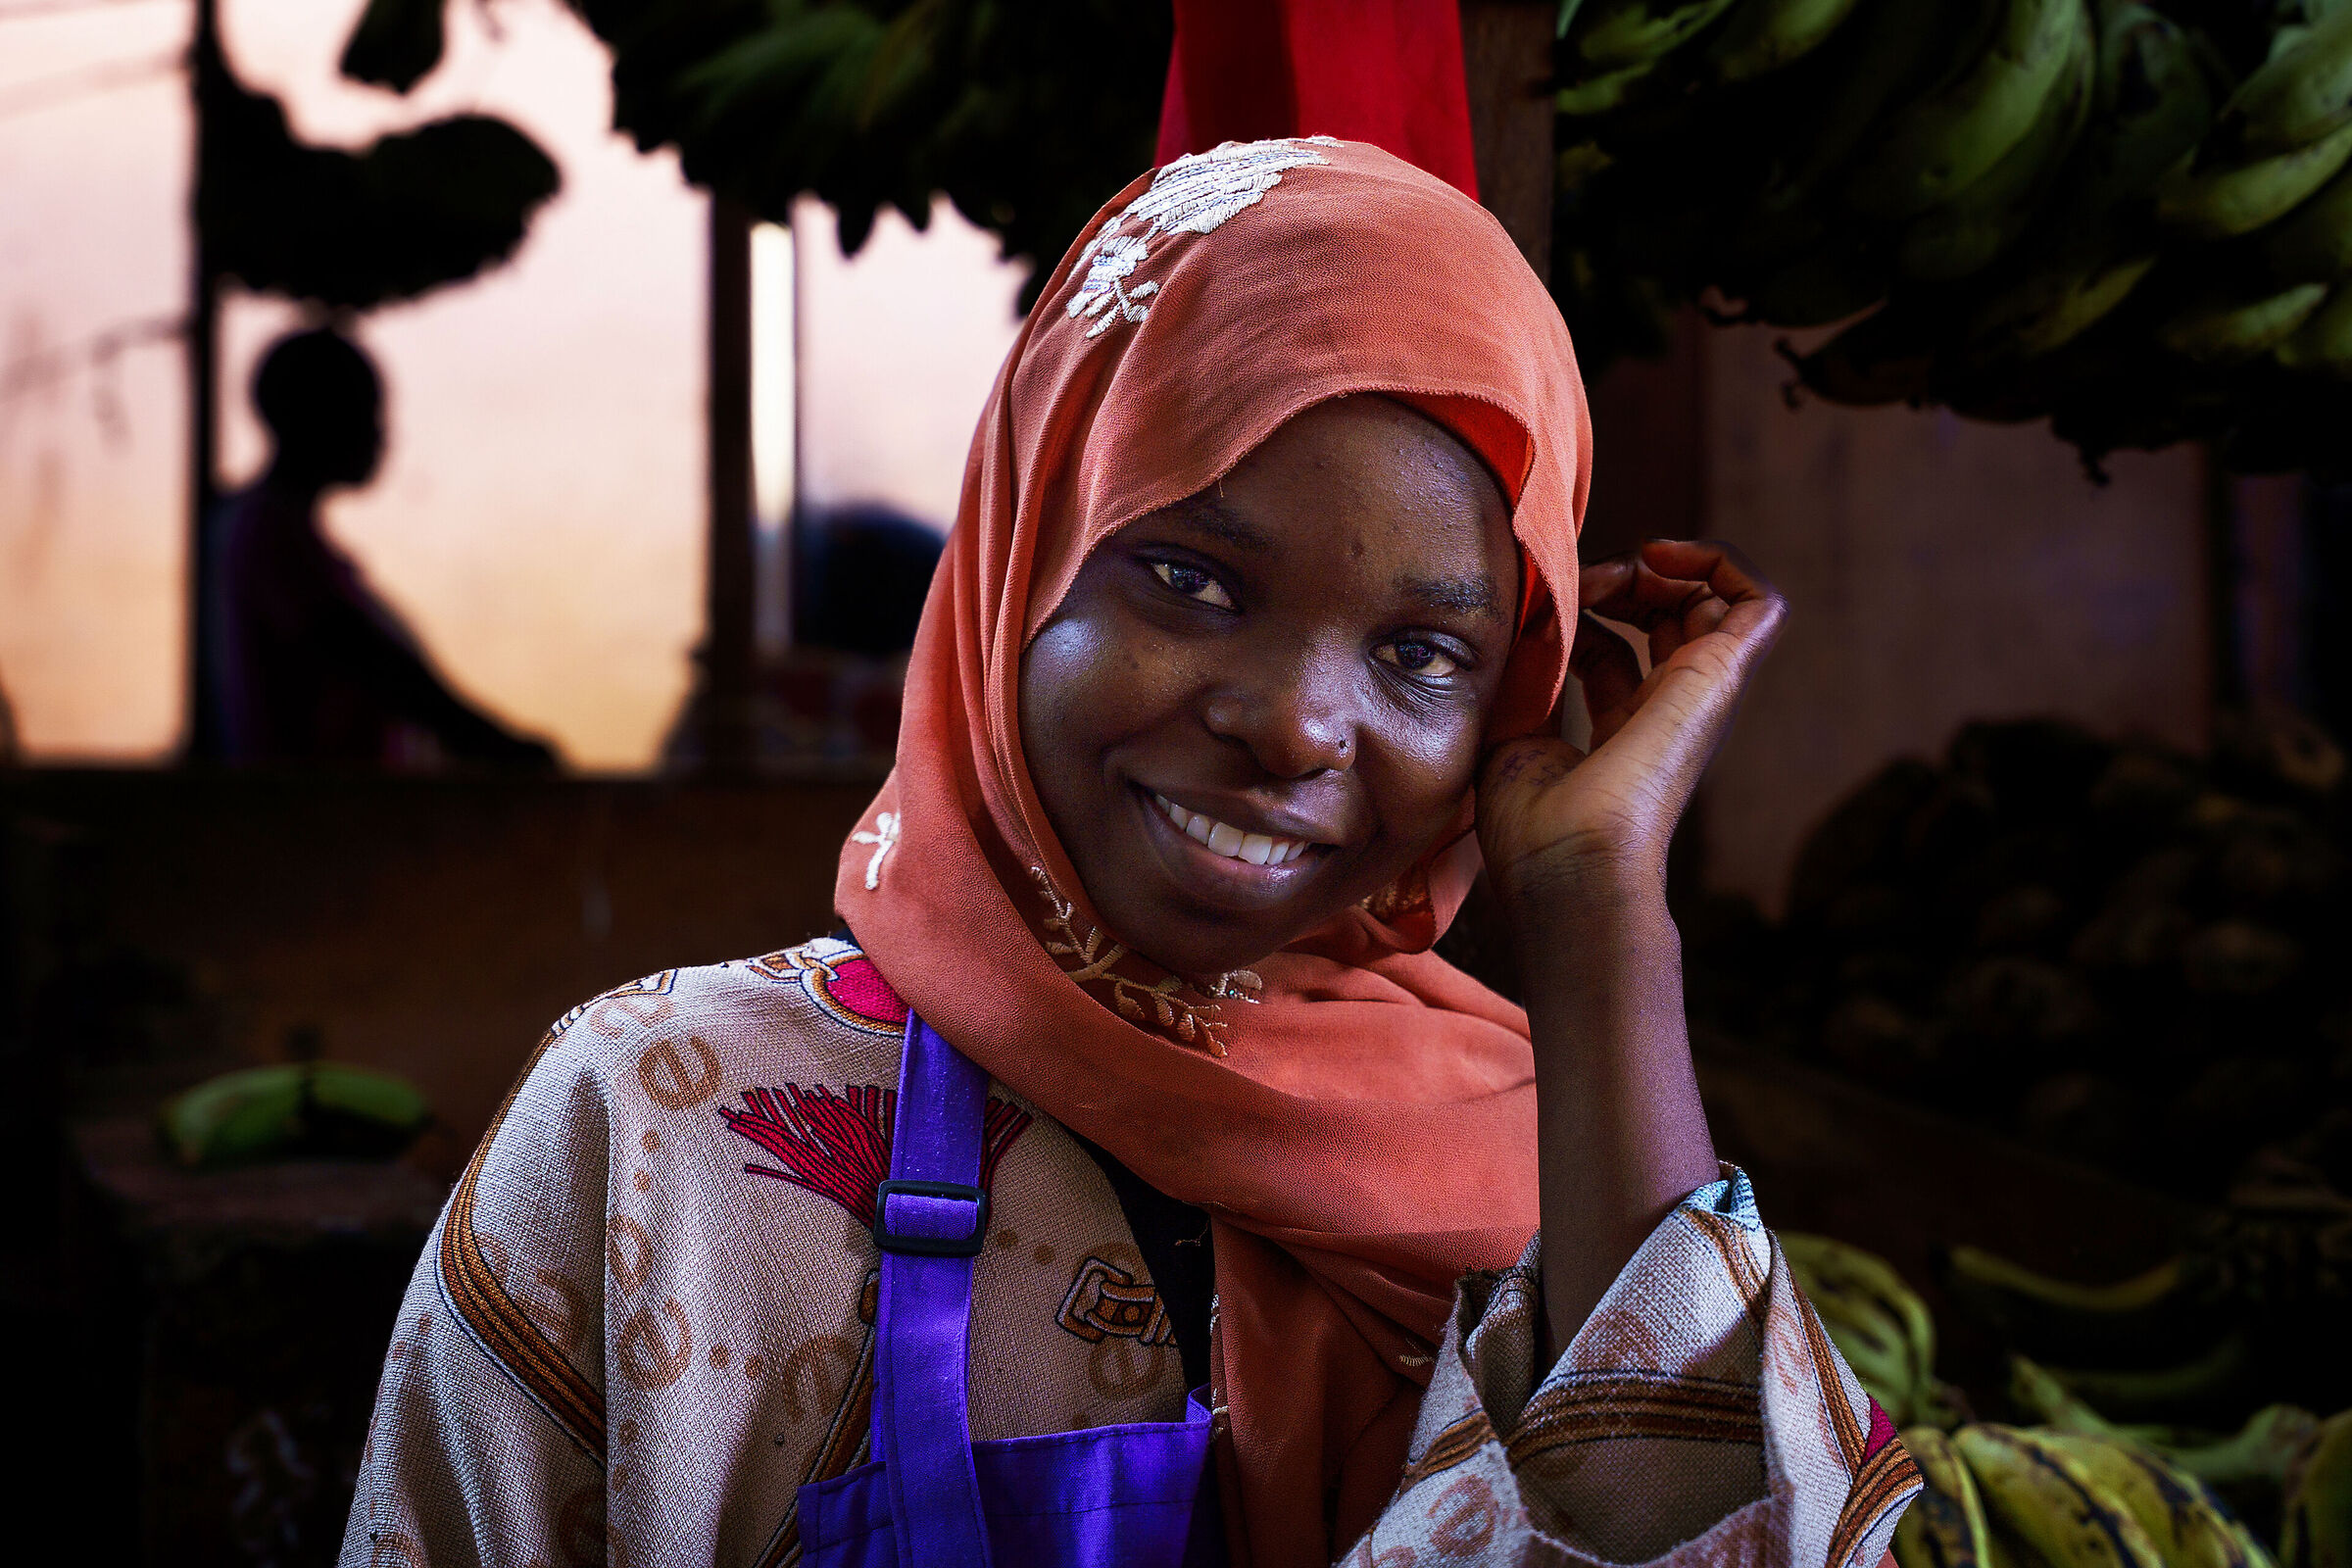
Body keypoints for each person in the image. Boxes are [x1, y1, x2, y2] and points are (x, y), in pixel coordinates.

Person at [340, 140, 1917, 1567]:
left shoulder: (1565, 1179)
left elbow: (1730, 1530)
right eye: (1192, 579)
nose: (1301, 726)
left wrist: (1598, 913)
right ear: (1021, 561)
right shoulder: (665, 1129)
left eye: (1425, 653)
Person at [201, 327, 554, 768]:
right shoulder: (271, 534)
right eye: (367, 412)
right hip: (314, 818)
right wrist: (494, 743)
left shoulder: (265, 529)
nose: (383, 435)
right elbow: (372, 665)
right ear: (317, 417)